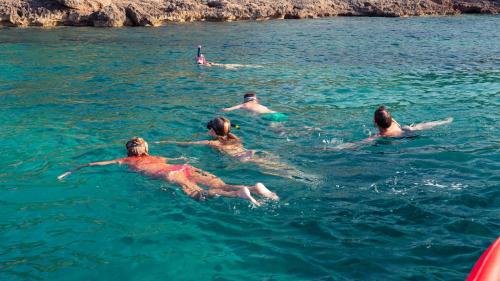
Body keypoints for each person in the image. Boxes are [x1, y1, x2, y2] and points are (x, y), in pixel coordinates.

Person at [58, 137, 278, 206]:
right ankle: (252, 187)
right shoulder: (158, 156)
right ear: (146, 149)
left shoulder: (124, 160)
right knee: (218, 184)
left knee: (197, 194)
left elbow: (97, 164)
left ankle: (240, 194)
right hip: (182, 167)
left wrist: (74, 169)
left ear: (129, 151)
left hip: (167, 174)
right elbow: (177, 159)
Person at [155, 117, 309, 180]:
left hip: (241, 159)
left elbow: (186, 144)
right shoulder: (232, 137)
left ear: (213, 132)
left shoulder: (213, 143)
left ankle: (300, 177)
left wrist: (164, 142)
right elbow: (227, 131)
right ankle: (302, 174)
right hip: (251, 152)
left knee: (274, 170)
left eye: (210, 130)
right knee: (279, 166)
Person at [336, 106, 453, 149]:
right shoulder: (394, 123)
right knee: (415, 127)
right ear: (391, 119)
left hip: (397, 140)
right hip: (406, 133)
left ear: (375, 123)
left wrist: (334, 148)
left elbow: (358, 144)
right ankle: (443, 122)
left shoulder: (380, 135)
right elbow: (388, 117)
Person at [223, 92, 288, 122]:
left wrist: (224, 109)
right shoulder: (261, 105)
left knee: (278, 130)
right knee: (280, 127)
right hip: (277, 114)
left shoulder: (243, 105)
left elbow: (228, 109)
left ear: (245, 100)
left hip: (268, 116)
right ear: (255, 99)